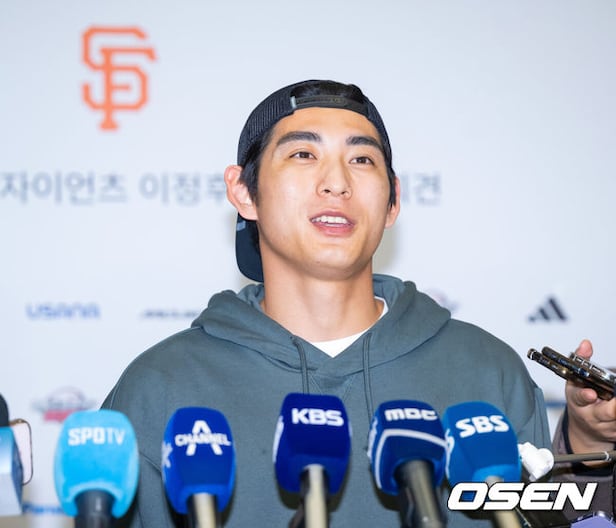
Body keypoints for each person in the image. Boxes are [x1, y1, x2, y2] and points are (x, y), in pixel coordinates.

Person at [102, 79, 615, 527]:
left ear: (393, 200)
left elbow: (557, 516)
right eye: (303, 155)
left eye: (362, 160)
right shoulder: (161, 386)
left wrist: (587, 446)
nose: (336, 183)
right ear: (243, 192)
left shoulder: (485, 371)